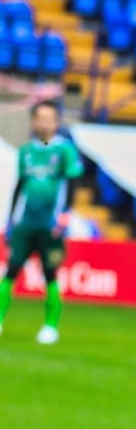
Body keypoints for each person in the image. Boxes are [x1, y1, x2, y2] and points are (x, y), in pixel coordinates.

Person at [0, 100, 84, 344]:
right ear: (34, 121)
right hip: (26, 222)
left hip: (51, 224)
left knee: (50, 273)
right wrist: (10, 220)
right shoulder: (26, 151)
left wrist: (65, 215)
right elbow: (19, 185)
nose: (44, 123)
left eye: (49, 118)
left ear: (56, 122)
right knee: (11, 271)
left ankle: (50, 326)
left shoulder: (64, 150)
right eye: (40, 118)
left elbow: (73, 183)